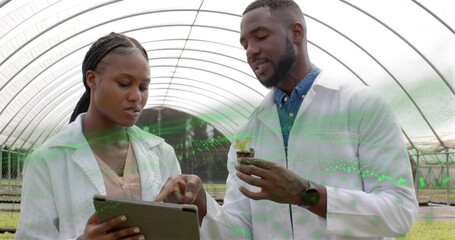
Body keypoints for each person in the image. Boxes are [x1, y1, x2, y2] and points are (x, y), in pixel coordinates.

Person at [155, 0, 419, 239]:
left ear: (296, 32)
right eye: (245, 44)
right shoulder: (248, 134)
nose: (251, 51)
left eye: (260, 37)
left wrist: (307, 194)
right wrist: (202, 205)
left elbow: (399, 212)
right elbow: (239, 231)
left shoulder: (363, 107)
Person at [16, 32, 182, 239]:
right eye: (124, 84)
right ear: (92, 79)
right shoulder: (46, 160)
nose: (136, 96)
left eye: (143, 87)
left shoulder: (161, 153)